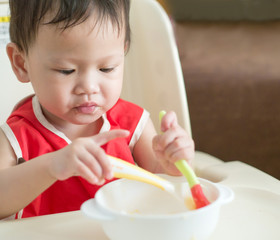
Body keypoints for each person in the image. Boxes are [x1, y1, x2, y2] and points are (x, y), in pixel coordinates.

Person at [0, 0, 194, 220]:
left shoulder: (133, 124)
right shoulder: (16, 137)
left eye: (106, 68)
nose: (89, 88)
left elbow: (165, 186)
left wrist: (175, 161)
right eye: (66, 70)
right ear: (21, 63)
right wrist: (50, 167)